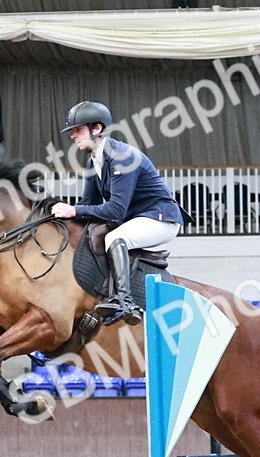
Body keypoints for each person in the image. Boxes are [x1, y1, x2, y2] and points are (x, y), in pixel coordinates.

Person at [51, 101, 183, 326]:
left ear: (97, 129)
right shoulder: (94, 160)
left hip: (161, 218)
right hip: (139, 218)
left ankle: (124, 299)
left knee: (115, 237)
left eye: (78, 129)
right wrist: (65, 215)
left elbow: (115, 210)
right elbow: (89, 202)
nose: (73, 136)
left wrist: (72, 209)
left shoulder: (123, 156)